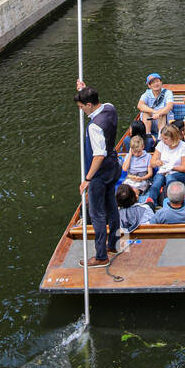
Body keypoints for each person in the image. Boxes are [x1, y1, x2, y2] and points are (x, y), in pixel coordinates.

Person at [74, 81, 120, 266]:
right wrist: (83, 90)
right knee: (112, 207)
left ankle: (101, 256)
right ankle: (114, 244)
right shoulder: (110, 108)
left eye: (82, 107)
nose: (82, 111)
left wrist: (87, 179)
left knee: (97, 214)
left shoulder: (94, 127)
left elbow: (98, 155)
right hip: (113, 167)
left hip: (100, 173)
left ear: (89, 105)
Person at [143, 124, 185, 209]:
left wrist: (171, 167)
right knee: (157, 180)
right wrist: (157, 162)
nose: (163, 141)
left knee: (170, 178)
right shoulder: (161, 144)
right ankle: (151, 203)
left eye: (166, 139)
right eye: (162, 138)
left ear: (173, 138)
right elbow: (152, 162)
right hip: (163, 172)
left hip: (181, 174)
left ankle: (170, 203)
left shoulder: (184, 146)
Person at [135, 74, 174, 145]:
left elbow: (169, 107)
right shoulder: (147, 93)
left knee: (163, 112)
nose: (156, 84)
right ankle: (148, 135)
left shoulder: (168, 92)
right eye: (153, 82)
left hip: (164, 121)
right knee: (145, 112)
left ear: (161, 83)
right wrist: (154, 111)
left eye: (157, 81)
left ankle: (160, 137)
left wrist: (159, 113)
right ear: (149, 86)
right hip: (150, 120)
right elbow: (140, 105)